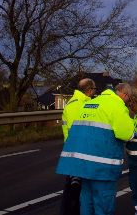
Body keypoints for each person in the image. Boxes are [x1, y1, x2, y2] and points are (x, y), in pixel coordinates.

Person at [56, 83, 136, 215]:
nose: (128, 101)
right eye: (128, 98)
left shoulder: (91, 103)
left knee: (86, 202)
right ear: (124, 94)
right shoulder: (116, 105)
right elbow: (126, 133)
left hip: (82, 165)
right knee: (103, 204)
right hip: (101, 166)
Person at [60, 78, 96, 215]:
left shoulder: (76, 102)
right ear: (88, 90)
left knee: (75, 190)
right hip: (78, 153)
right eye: (94, 90)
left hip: (74, 151)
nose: (94, 93)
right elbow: (80, 131)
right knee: (74, 192)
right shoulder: (80, 105)